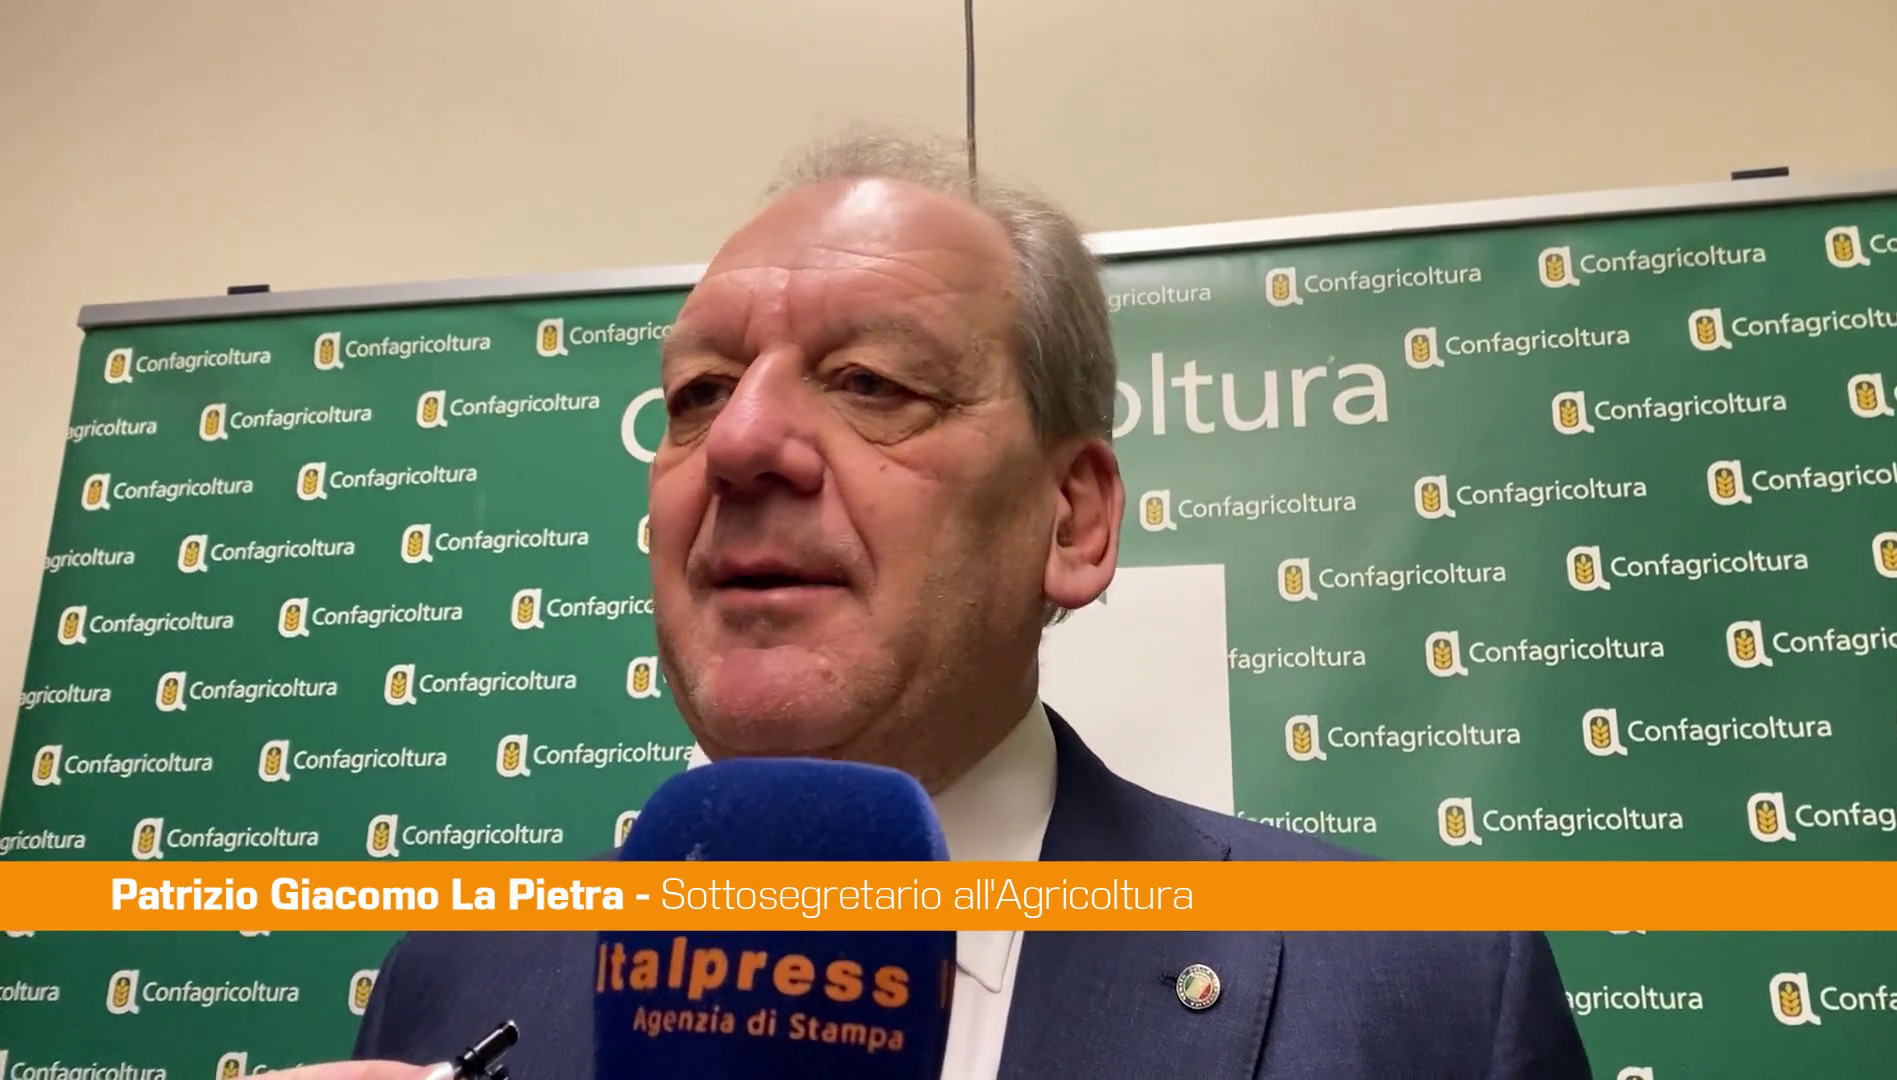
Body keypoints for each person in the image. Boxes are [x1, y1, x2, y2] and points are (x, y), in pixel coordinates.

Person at [276, 129, 1592, 1079]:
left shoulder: (1426, 989)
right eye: (697, 393)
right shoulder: (461, 974)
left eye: (870, 383)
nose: (741, 444)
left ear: (1070, 520)